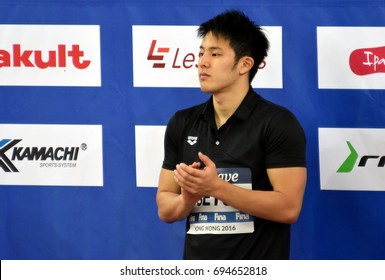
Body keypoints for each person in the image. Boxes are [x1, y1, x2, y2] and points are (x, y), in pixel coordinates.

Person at [156, 9, 307, 260]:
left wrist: (216, 187)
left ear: (245, 64)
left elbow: (288, 208)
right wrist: (187, 199)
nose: (202, 62)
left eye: (215, 54)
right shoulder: (182, 122)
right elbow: (165, 207)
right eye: (202, 52)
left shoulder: (278, 122)